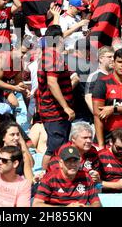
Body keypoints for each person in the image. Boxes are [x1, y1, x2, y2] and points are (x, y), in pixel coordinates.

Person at [37, 21, 75, 171]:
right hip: (55, 111)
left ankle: (54, 174)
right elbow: (52, 82)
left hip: (52, 110)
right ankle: (44, 177)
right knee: (54, 147)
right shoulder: (53, 56)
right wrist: (66, 107)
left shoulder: (47, 54)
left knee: (58, 146)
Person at [33, 145, 101, 207]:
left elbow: (96, 203)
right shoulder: (49, 179)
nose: (72, 164)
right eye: (68, 161)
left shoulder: (86, 177)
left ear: (79, 162)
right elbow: (36, 204)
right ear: (61, 163)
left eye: (75, 161)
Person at [98, 128, 122, 193]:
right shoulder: (100, 156)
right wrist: (115, 185)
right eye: (119, 148)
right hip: (106, 196)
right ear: (111, 142)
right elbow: (95, 185)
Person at [85, 46, 114, 114]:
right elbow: (88, 97)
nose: (113, 59)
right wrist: (98, 115)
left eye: (114, 57)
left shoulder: (116, 76)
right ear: (101, 59)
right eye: (109, 57)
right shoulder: (94, 76)